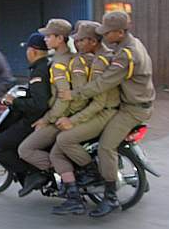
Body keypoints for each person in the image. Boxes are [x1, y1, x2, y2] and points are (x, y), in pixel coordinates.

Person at [59, 11, 156, 217]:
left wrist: (73, 94)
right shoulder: (131, 44)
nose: (104, 36)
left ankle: (110, 197)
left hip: (132, 109)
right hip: (139, 102)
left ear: (120, 32)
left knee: (106, 146)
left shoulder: (125, 54)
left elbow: (103, 84)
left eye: (107, 33)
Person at [50, 21, 120, 215]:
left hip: (105, 111)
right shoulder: (98, 57)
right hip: (104, 108)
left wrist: (72, 120)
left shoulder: (99, 62)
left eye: (80, 40)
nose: (77, 44)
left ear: (92, 41)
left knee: (64, 138)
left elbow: (98, 103)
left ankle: (92, 172)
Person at [18, 19, 92, 197]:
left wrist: (46, 119)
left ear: (60, 39)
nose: (44, 39)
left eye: (48, 36)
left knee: (25, 149)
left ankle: (65, 178)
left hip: (61, 116)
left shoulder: (59, 64)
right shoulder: (70, 58)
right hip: (72, 112)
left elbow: (63, 98)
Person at [0, 32, 51, 186]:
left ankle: (31, 173)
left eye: (27, 50)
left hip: (35, 120)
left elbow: (39, 104)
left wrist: (15, 102)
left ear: (33, 51)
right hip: (43, 116)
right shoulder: (46, 65)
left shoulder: (39, 71)